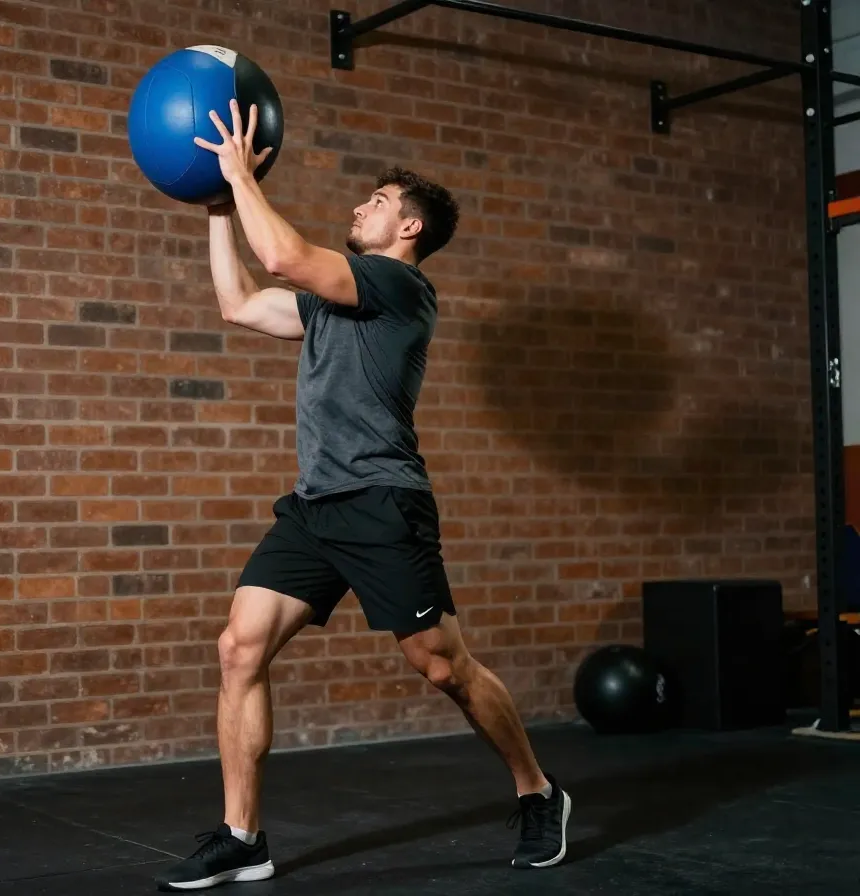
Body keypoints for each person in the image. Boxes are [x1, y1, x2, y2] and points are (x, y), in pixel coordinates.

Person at [155, 100, 572, 892]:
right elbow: (239, 302)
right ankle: (243, 835)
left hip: (384, 502)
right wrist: (217, 205)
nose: (359, 207)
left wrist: (240, 172)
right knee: (238, 647)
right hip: (315, 507)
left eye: (376, 203)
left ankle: (538, 791)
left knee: (443, 668)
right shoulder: (334, 300)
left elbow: (281, 258)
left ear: (408, 230)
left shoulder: (398, 290)